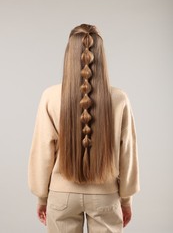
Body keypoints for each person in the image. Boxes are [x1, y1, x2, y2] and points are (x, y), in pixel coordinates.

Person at [28, 23, 140, 233]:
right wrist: (126, 200)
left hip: (62, 197)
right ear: (101, 55)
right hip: (105, 196)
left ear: (69, 55)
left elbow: (42, 151)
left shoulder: (50, 96)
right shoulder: (119, 99)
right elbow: (128, 154)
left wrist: (41, 197)